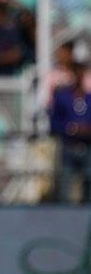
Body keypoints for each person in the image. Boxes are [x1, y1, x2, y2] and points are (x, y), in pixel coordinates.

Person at [50, 60, 91, 203]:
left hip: (87, 147)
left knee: (88, 186)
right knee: (65, 186)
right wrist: (70, 128)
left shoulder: (89, 99)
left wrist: (86, 130)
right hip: (68, 147)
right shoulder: (62, 97)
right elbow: (54, 122)